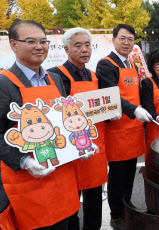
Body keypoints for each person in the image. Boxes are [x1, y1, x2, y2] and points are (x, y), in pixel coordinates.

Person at [0, 20, 80, 229]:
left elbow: (64, 121)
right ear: (14, 44)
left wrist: (80, 144)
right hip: (28, 181)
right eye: (31, 41)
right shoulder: (4, 83)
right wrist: (23, 162)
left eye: (43, 41)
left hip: (61, 178)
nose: (39, 46)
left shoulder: (55, 79)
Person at [48, 27, 115, 230]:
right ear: (66, 49)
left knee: (94, 201)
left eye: (87, 45)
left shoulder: (95, 77)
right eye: (78, 45)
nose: (84, 49)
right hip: (70, 152)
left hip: (94, 149)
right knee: (70, 203)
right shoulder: (55, 76)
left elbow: (103, 110)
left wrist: (112, 111)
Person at [96, 23, 151, 230]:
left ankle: (128, 207)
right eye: (122, 38)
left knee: (129, 175)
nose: (126, 43)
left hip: (134, 130)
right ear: (113, 40)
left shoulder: (132, 65)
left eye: (130, 39)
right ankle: (117, 215)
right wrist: (134, 110)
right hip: (117, 132)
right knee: (117, 177)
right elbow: (111, 96)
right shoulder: (106, 64)